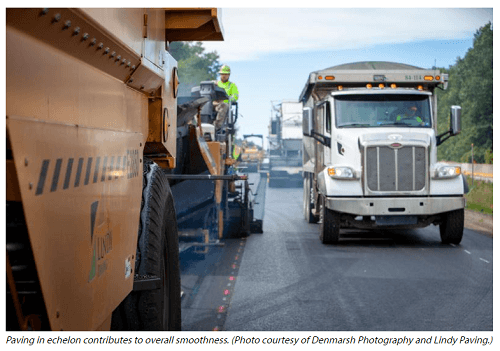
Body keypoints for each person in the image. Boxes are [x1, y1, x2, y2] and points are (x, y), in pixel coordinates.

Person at [213, 65, 239, 129]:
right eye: (222, 74)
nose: (224, 76)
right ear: (220, 74)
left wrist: (230, 98)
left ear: (229, 75)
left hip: (224, 105)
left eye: (226, 74)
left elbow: (235, 96)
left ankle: (216, 127)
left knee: (223, 105)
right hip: (214, 103)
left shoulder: (232, 85)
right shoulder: (215, 83)